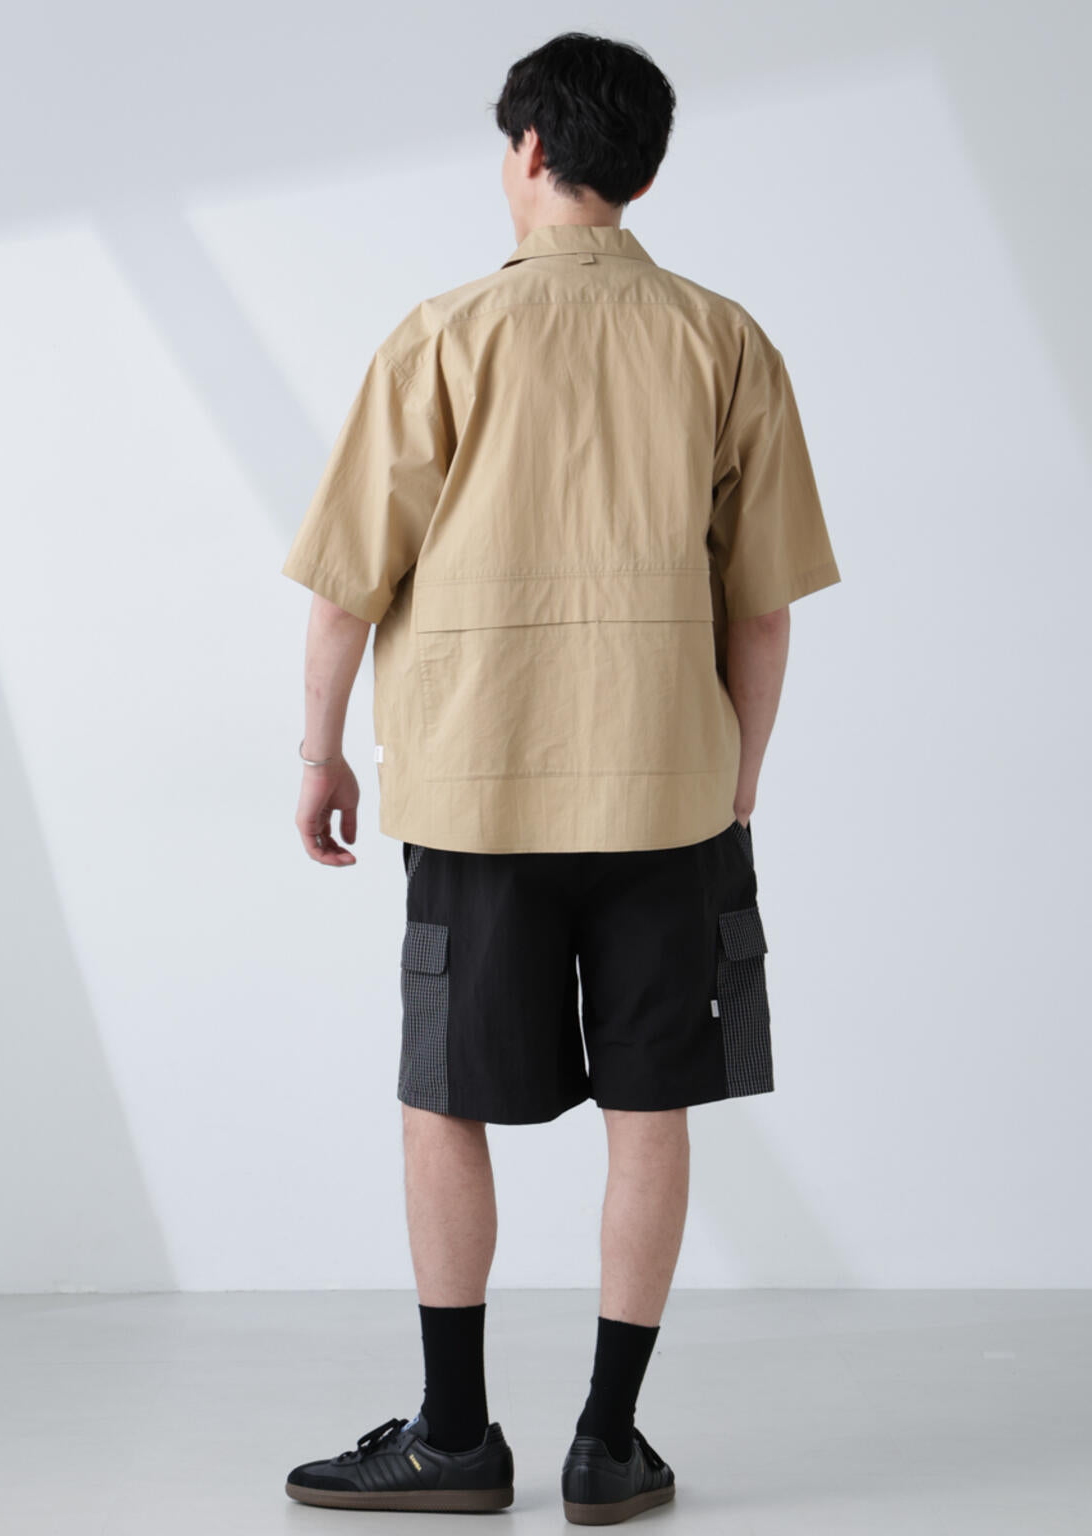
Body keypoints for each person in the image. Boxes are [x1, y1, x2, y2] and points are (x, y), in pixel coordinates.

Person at [278, 29, 841, 1526]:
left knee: (445, 1096)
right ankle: (609, 1444)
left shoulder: (441, 336)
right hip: (669, 792)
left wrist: (321, 755)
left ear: (529, 150)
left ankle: (455, 1439)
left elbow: (343, 588)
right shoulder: (724, 341)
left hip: (477, 788)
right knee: (651, 1103)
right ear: (640, 173)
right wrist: (735, 781)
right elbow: (763, 609)